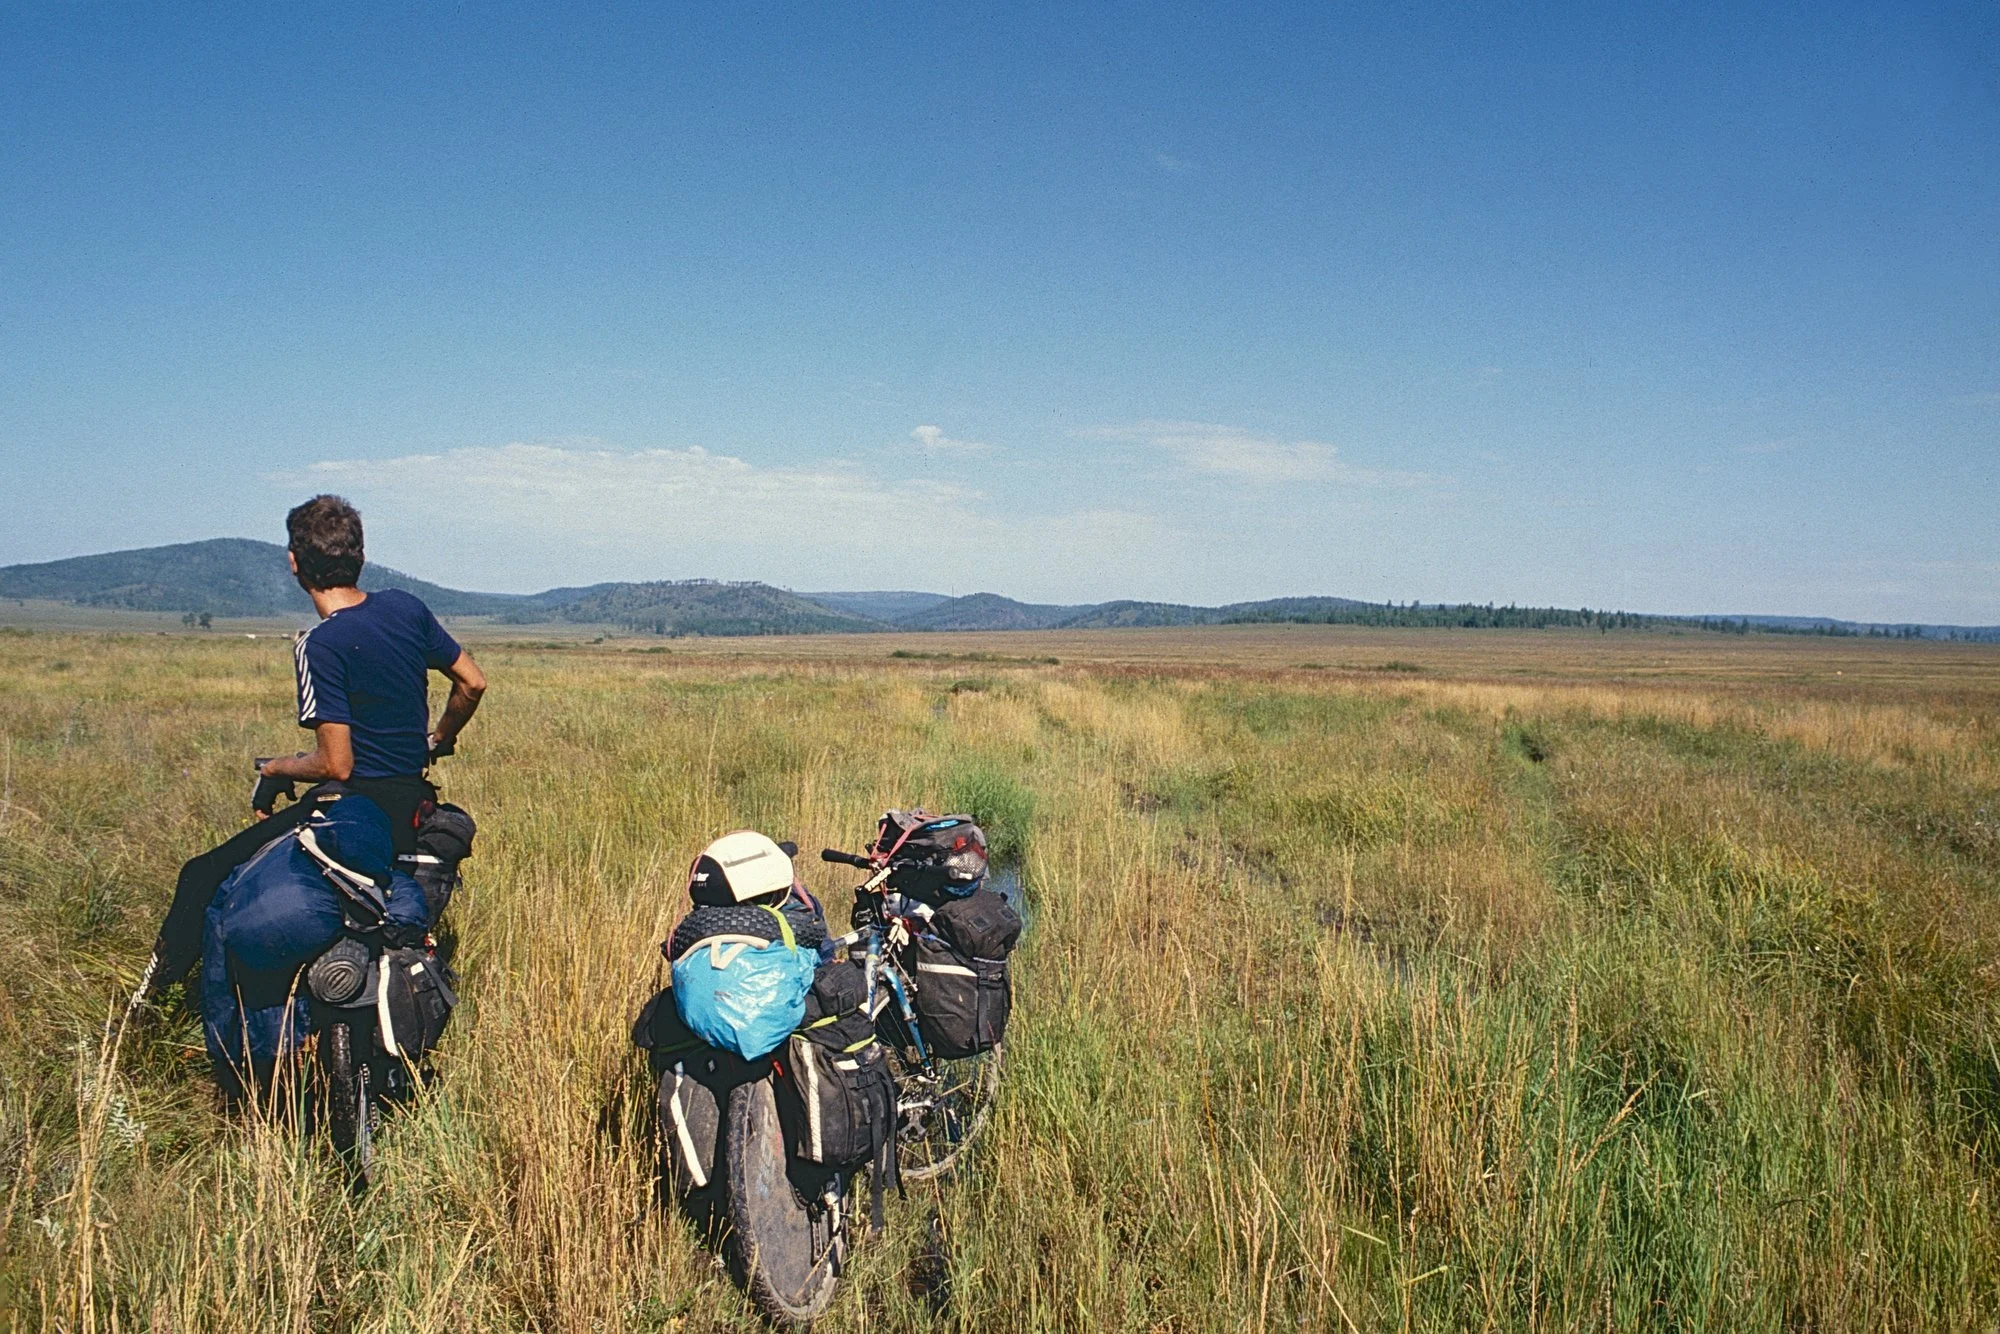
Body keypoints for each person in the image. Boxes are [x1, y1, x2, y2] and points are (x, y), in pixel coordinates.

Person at [140, 494, 486, 1000]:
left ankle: (150, 1004)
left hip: (356, 806)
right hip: (412, 798)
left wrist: (275, 768)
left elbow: (336, 764)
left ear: (294, 563)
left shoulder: (319, 644)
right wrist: (438, 739)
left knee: (202, 874)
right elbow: (473, 682)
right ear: (360, 556)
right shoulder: (406, 608)